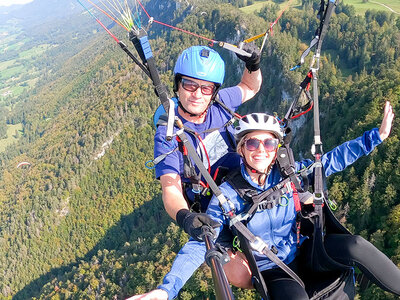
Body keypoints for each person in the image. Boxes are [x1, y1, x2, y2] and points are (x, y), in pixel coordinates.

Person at [130, 102, 400, 300]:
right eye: (252, 143)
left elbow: (330, 161)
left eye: (269, 144)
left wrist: (375, 137)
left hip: (306, 249)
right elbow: (202, 242)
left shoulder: (289, 173)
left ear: (276, 150)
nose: (261, 150)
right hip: (272, 270)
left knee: (356, 245)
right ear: (241, 149)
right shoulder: (228, 196)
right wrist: (167, 290)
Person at [154, 44, 262, 258]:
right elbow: (170, 186)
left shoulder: (220, 104)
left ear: (214, 92)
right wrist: (185, 217)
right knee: (241, 272)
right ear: (177, 85)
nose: (197, 95)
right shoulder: (169, 132)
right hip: (212, 211)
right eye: (189, 85)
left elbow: (249, 87)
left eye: (206, 88)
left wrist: (253, 65)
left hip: (246, 191)